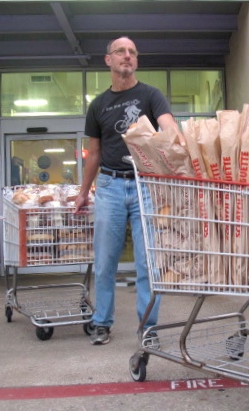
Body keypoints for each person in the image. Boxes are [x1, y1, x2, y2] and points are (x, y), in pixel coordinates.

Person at [73, 36, 185, 345]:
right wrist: (84, 192)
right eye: (121, 51)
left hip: (145, 186)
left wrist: (171, 140)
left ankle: (148, 327)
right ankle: (102, 322)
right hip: (108, 186)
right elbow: (93, 154)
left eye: (133, 52)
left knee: (147, 261)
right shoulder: (98, 105)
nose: (127, 56)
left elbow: (168, 126)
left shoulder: (150, 94)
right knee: (105, 261)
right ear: (108, 60)